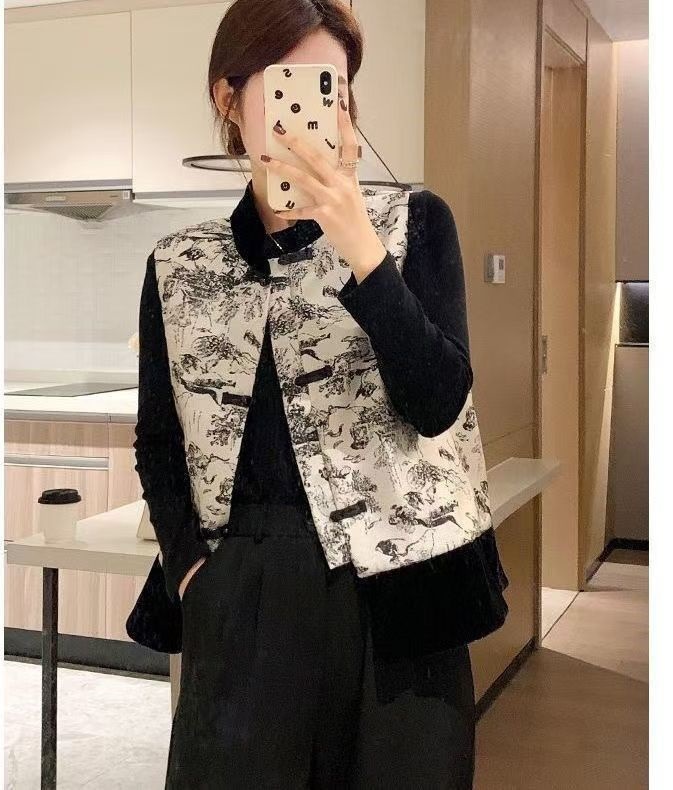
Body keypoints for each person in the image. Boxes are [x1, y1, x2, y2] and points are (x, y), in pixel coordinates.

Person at [131, 1, 509, 787]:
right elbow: (160, 441)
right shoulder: (181, 264)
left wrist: (362, 250)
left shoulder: (413, 223)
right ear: (229, 98)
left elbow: (439, 402)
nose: (315, 109)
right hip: (243, 590)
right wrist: (191, 568)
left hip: (405, 594)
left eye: (330, 85)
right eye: (290, 83)